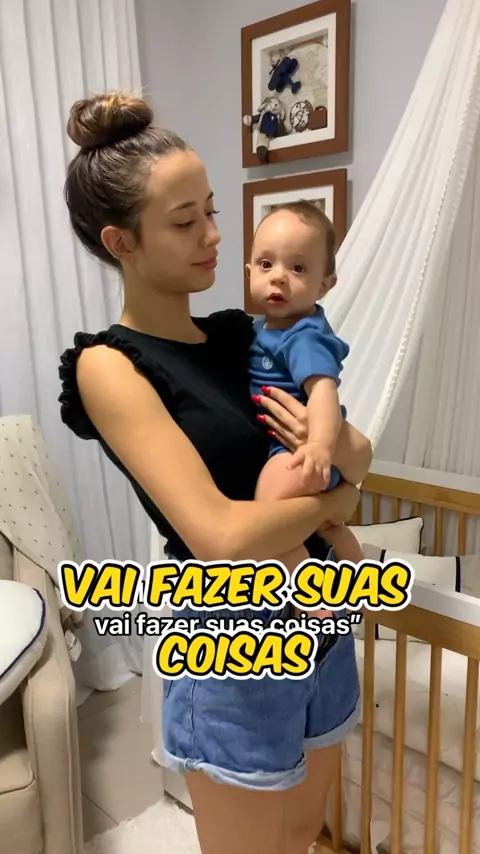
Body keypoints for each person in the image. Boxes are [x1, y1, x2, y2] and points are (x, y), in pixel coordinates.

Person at [58, 91, 372, 854]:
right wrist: (336, 499)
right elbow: (222, 537)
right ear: (121, 242)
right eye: (184, 222)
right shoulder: (111, 366)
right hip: (235, 634)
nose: (214, 236)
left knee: (301, 834)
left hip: (322, 616)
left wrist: (341, 467)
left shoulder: (245, 334)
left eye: (211, 212)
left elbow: (358, 449)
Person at [247, 202, 366, 621]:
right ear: (249, 271)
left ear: (324, 285)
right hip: (303, 455)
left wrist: (318, 445)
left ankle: (314, 601)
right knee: (328, 526)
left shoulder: (303, 336)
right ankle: (352, 563)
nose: (278, 276)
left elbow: (323, 393)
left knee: (267, 520)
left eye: (297, 268)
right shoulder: (262, 329)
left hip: (299, 454)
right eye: (266, 264)